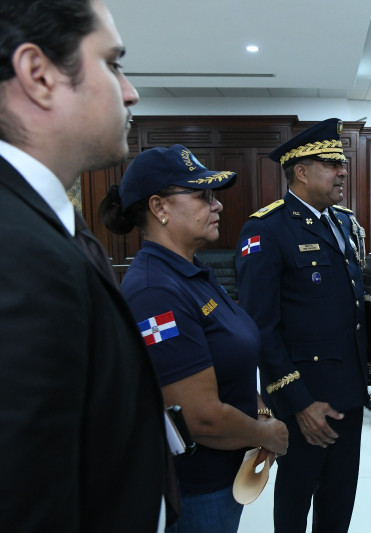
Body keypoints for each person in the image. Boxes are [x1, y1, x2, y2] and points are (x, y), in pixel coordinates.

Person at [0, 0, 169, 530]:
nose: (130, 91)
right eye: (112, 63)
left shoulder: (49, 221)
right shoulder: (16, 250)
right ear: (39, 75)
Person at [99, 144, 289, 533]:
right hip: (197, 488)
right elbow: (200, 419)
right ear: (159, 207)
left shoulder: (191, 271)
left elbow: (229, 359)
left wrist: (259, 412)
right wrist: (267, 433)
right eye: (202, 195)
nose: (216, 205)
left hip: (225, 474)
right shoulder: (156, 292)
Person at [236, 118, 370, 533]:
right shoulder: (267, 228)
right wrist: (298, 403)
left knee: (339, 498)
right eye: (332, 164)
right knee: (296, 498)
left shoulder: (344, 222)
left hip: (349, 389)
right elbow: (260, 328)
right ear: (302, 171)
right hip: (304, 398)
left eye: (342, 164)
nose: (343, 172)